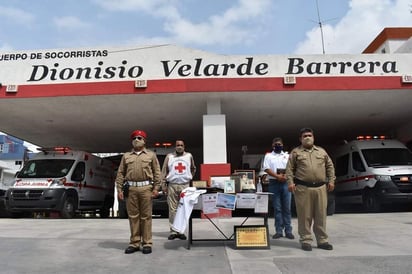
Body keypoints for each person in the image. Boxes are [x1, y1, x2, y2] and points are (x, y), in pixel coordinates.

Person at [285, 128, 335, 251]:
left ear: (313, 137)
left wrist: (332, 180)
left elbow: (330, 166)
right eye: (305, 136)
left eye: (310, 135)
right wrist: (290, 182)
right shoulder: (296, 153)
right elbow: (289, 169)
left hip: (320, 188)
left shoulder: (322, 152)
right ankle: (306, 240)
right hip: (303, 188)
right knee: (304, 216)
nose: (307, 137)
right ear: (300, 139)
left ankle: (322, 240)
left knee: (321, 215)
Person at [115, 129, 161, 255]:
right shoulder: (126, 156)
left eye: (139, 138)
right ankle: (134, 243)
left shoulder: (151, 155)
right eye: (134, 138)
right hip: (131, 189)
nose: (136, 140)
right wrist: (119, 189)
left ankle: (147, 243)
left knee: (146, 217)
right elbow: (120, 173)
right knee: (133, 216)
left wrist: (156, 188)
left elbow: (157, 172)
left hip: (146, 188)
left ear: (144, 141)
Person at [161, 139, 196, 240]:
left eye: (181, 145)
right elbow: (164, 171)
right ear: (175, 146)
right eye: (177, 145)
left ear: (184, 146)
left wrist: (189, 177)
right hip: (172, 185)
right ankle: (173, 231)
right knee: (173, 209)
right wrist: (163, 185)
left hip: (185, 186)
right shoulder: (169, 157)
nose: (179, 147)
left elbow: (193, 168)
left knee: (184, 209)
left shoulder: (189, 156)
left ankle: (181, 231)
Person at [263, 137, 294, 240]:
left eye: (280, 144)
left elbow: (292, 168)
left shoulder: (287, 156)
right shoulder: (268, 156)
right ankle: (279, 231)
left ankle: (288, 231)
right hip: (274, 183)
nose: (278, 146)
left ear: (282, 145)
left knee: (287, 208)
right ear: (273, 146)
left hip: (286, 183)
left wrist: (286, 177)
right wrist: (277, 176)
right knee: (277, 208)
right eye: (276, 144)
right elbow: (266, 168)